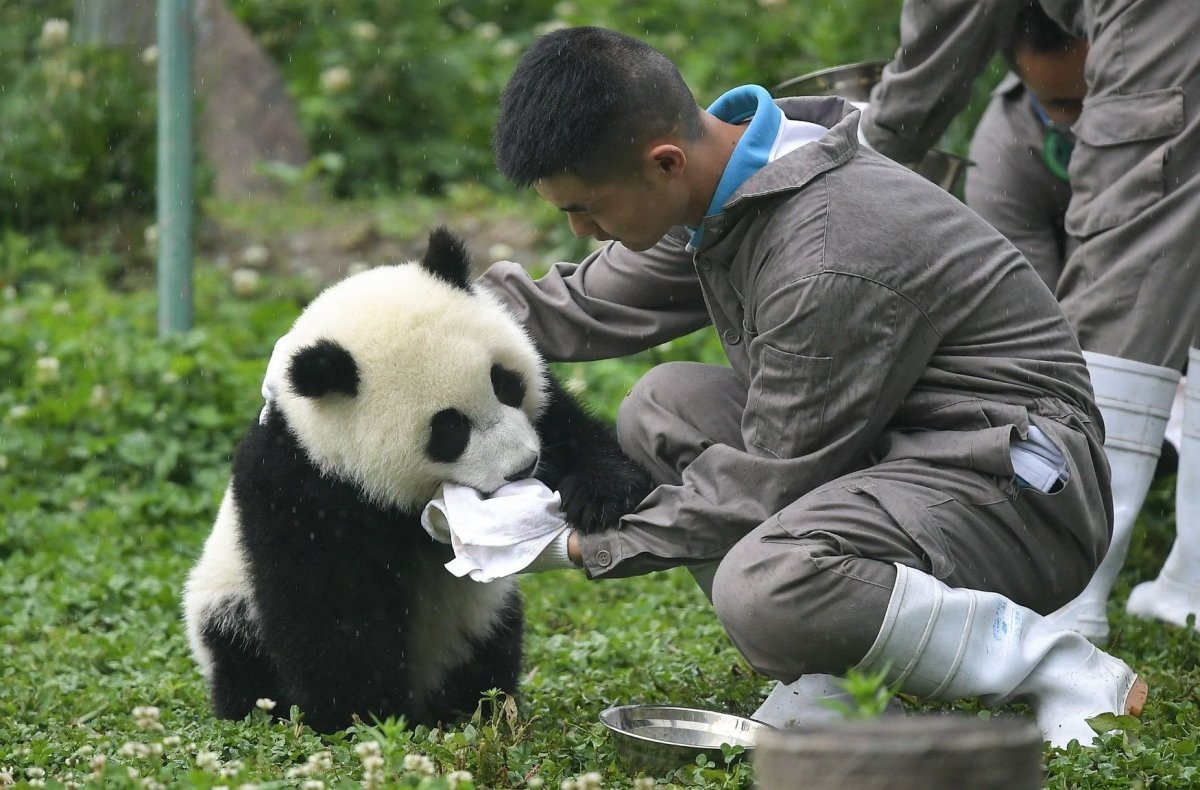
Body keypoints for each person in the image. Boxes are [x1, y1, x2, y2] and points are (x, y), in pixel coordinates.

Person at [477, 25, 1145, 748]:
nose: (581, 231)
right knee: (662, 404)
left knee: (766, 587)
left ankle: (1057, 669)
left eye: (587, 208)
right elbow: (571, 306)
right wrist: (402, 323)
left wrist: (567, 545)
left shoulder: (824, 256)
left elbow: (758, 490)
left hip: (1017, 493)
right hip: (908, 458)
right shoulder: (729, 185)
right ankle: (830, 677)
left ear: (663, 163)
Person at [861, 0, 1200, 645]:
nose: (1074, 126)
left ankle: (1064, 605)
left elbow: (945, 20)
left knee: (1125, 251)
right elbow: (1032, 323)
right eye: (1062, 110)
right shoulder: (1005, 148)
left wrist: (871, 144)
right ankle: (1179, 586)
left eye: (1086, 100)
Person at [964, 1, 1084, 290]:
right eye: (1068, 106)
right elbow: (1038, 319)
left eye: (1103, 89)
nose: (1094, 117)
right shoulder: (1000, 164)